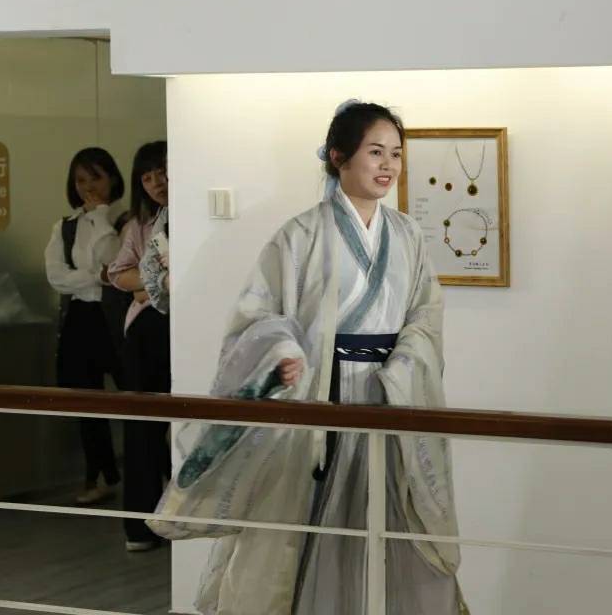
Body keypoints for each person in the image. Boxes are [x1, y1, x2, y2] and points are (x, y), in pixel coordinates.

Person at [154, 100, 465, 614]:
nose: (388, 165)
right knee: (307, 526)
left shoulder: (407, 234)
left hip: (391, 395)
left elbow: (425, 314)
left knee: (393, 520)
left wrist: (406, 363)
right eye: (375, 152)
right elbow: (258, 314)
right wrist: (283, 352)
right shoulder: (300, 235)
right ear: (338, 156)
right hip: (321, 394)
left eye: (396, 154)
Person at [44, 147, 125, 505]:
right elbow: (56, 277)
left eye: (96, 178)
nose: (88, 187)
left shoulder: (123, 220)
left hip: (116, 316)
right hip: (80, 318)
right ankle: (100, 475)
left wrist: (101, 216)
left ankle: (157, 470)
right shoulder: (65, 226)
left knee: (135, 394)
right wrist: (96, 276)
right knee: (86, 402)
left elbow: (115, 263)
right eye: (80, 180)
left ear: (112, 179)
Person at [108, 140, 171, 552]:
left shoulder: (195, 216)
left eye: (162, 173)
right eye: (146, 178)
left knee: (185, 424)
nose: (156, 183)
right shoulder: (140, 225)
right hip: (146, 331)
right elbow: (118, 275)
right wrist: (156, 284)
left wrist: (144, 286)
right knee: (142, 427)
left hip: (184, 327)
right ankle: (139, 526)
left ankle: (179, 518)